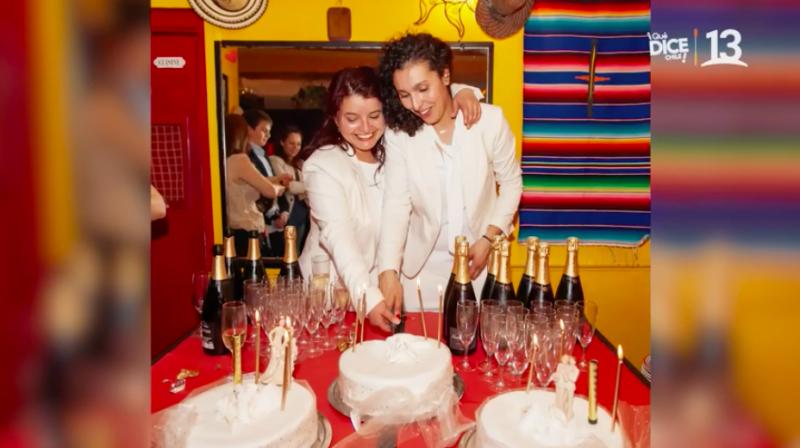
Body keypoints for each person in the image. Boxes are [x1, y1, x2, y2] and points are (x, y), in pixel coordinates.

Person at [297, 66, 483, 331]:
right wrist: (369, 298)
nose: (365, 128)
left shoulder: (397, 154)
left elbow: (427, 98)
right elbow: (339, 238)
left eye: (374, 115)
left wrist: (463, 92)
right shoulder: (323, 166)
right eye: (352, 118)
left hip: (379, 298)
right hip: (331, 302)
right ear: (336, 119)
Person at [377, 33, 523, 315]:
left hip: (478, 265)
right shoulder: (399, 135)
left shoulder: (489, 121)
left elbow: (512, 184)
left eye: (423, 88)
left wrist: (489, 238)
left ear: (445, 76)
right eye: (405, 95)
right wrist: (388, 270)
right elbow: (396, 204)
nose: (416, 104)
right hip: (421, 274)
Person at [225, 114, 285, 257]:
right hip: (247, 231)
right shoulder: (240, 159)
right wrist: (279, 187)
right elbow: (269, 191)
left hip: (234, 230)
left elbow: (249, 183)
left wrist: (276, 179)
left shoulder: (227, 159)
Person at [242, 109, 293, 256]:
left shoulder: (264, 155)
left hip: (276, 222)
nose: (268, 135)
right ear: (249, 130)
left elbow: (274, 184)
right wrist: (272, 218)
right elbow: (258, 189)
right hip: (261, 222)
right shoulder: (245, 158)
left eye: (269, 131)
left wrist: (283, 211)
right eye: (264, 130)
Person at [269, 125, 309, 255]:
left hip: (302, 211)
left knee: (297, 252)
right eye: (291, 143)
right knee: (287, 253)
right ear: (282, 142)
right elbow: (287, 185)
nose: (295, 147)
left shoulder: (300, 164)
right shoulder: (275, 160)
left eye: (298, 144)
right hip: (287, 212)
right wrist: (309, 186)